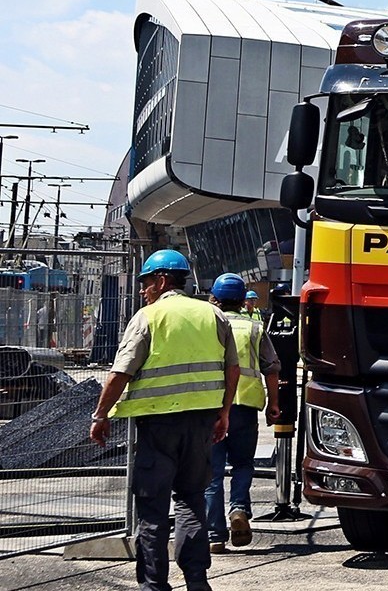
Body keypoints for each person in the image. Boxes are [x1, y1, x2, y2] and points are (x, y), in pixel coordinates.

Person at [90, 250, 240, 591]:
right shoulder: (213, 314)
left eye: (146, 283)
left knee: (153, 508)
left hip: (158, 426)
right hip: (201, 422)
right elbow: (233, 368)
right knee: (191, 501)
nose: (143, 290)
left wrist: (100, 416)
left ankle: (154, 586)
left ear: (161, 280)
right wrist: (225, 411)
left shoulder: (149, 317)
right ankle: (197, 581)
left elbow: (120, 373)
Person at [204, 275, 281, 553]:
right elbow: (271, 368)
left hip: (212, 405)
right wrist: (274, 403)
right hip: (245, 406)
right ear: (243, 300)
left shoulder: (206, 324)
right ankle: (239, 509)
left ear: (214, 297)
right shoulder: (254, 327)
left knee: (211, 473)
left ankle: (214, 536)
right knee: (243, 465)